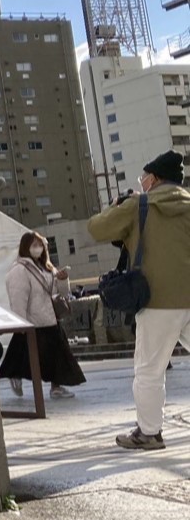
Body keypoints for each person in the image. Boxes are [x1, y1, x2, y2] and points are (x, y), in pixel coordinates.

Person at [89, 151, 190, 450]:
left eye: (143, 178)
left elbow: (97, 228)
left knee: (149, 370)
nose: (141, 183)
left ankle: (149, 432)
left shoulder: (139, 204)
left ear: (154, 178)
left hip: (158, 300)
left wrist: (121, 204)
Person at [0, 232, 86, 400]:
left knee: (57, 354)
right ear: (26, 247)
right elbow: (18, 297)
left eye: (40, 245)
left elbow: (60, 292)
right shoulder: (20, 270)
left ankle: (56, 386)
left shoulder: (47, 267)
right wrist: (20, 321)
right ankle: (15, 374)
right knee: (26, 353)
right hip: (33, 321)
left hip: (50, 318)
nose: (38, 248)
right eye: (34, 245)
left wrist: (62, 280)